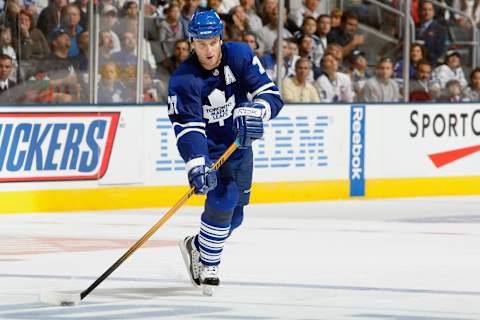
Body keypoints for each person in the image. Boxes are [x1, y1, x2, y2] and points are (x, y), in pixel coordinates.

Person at [168, 8, 283, 293]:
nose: (208, 50)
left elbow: (271, 94)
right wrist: (196, 162)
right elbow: (188, 127)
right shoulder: (183, 80)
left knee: (237, 217)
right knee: (223, 199)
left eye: (212, 42)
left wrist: (258, 111)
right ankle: (209, 263)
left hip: (240, 146)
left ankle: (196, 246)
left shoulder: (240, 55)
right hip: (210, 151)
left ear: (221, 38)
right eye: (200, 43)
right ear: (192, 43)